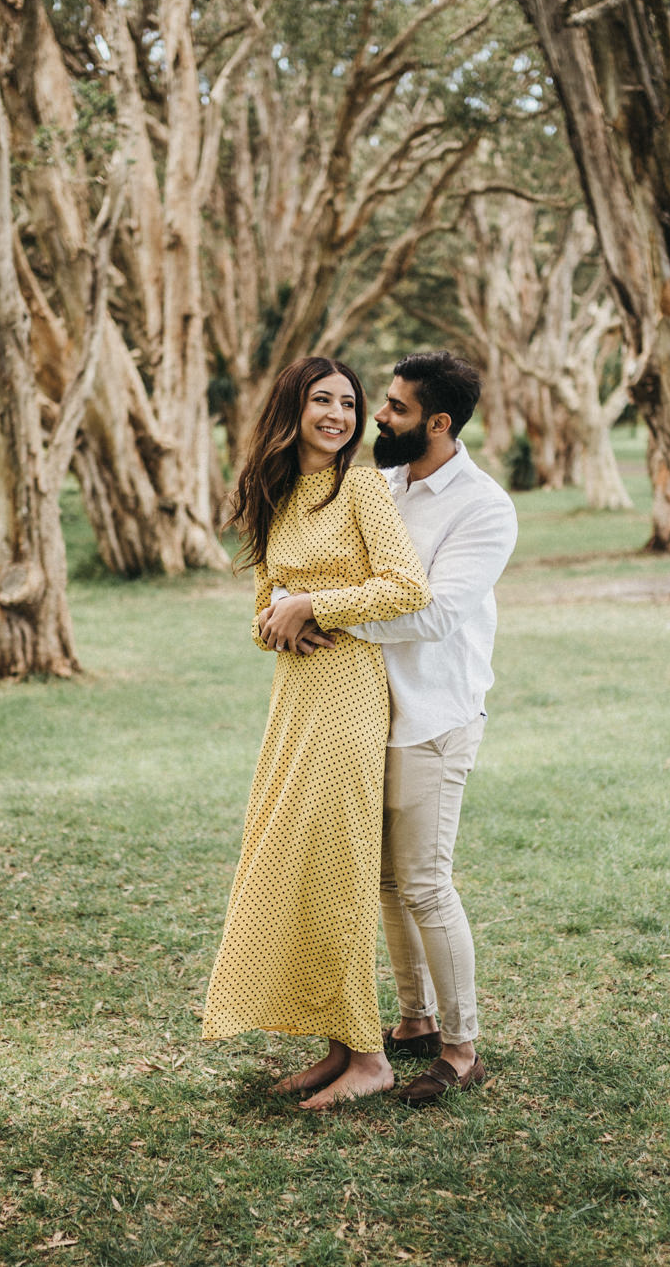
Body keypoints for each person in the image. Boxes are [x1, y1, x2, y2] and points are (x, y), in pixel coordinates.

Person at [261, 351, 519, 1108]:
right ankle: (412, 1022)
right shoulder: (376, 484)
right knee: (380, 884)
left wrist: (318, 607)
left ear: (437, 424)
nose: (378, 416)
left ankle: (462, 1047)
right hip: (362, 713)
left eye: (396, 409)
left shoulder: (482, 506)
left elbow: (433, 611)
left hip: (434, 715)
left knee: (426, 883)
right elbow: (323, 561)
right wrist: (290, 604)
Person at [201, 355, 432, 1111]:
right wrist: (280, 626)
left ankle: (371, 1057)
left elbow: (406, 587)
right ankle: (337, 1043)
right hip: (294, 693)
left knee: (337, 863)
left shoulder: (360, 486)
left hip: (350, 691)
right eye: (321, 400)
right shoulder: (272, 492)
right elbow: (266, 602)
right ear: (293, 407)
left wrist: (317, 608)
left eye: (348, 403)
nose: (337, 414)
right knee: (294, 854)